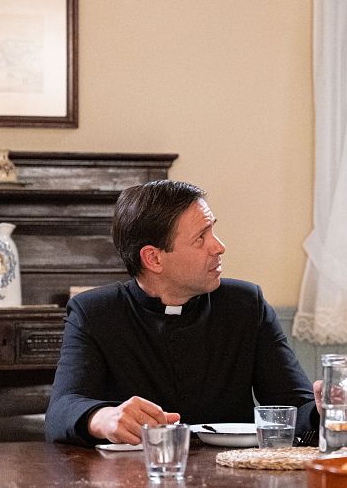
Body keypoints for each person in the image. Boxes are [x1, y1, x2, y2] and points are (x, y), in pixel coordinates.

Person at [45, 180, 318, 446]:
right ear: (153, 258)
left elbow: (296, 405)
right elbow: (61, 410)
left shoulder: (245, 305)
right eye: (201, 238)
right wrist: (104, 417)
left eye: (212, 231)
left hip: (232, 469)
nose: (219, 247)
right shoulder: (95, 312)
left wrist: (323, 411)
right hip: (136, 470)